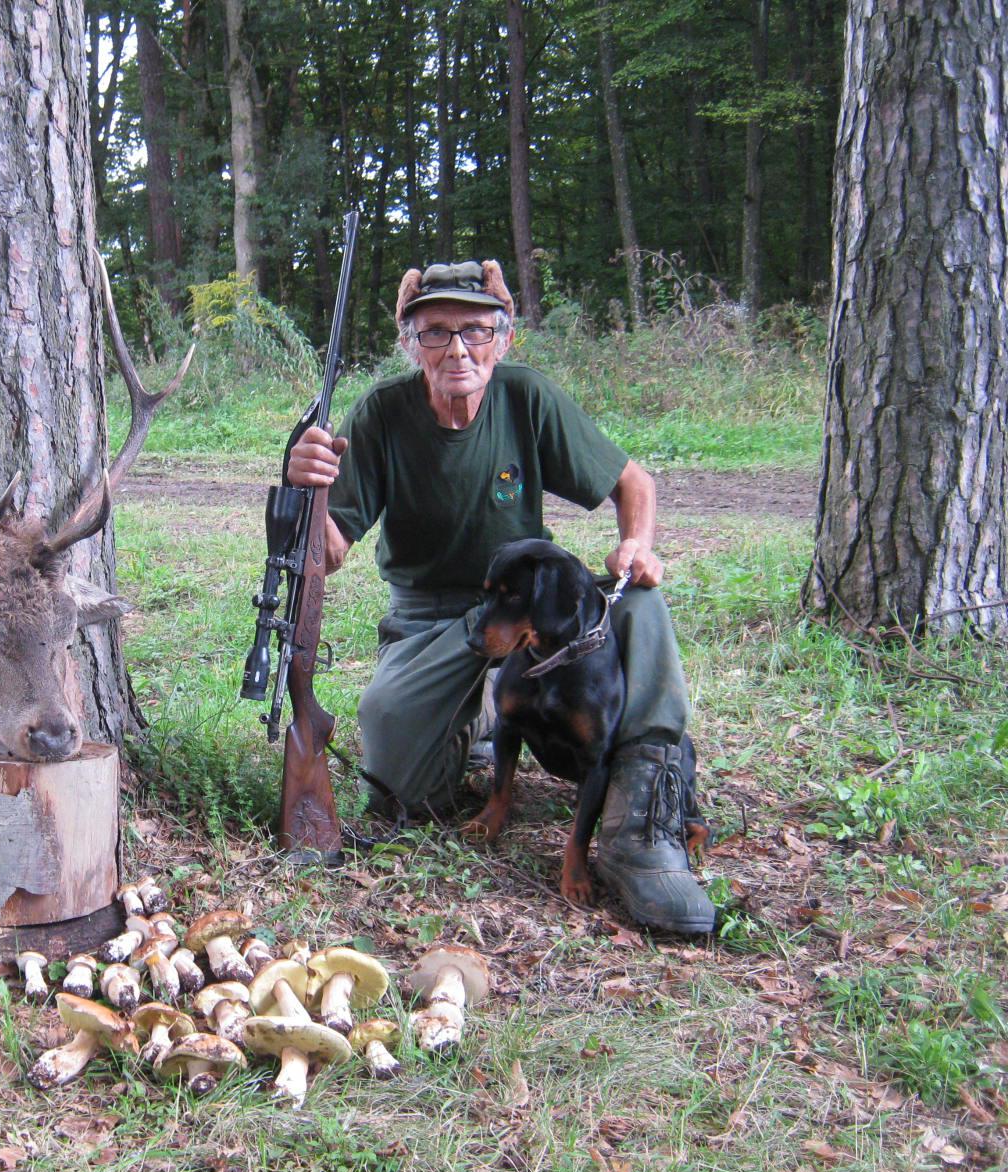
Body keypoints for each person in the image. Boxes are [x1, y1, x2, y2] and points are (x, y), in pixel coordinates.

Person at [285, 259, 713, 934]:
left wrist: (637, 545)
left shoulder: (528, 398)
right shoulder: (382, 415)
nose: (458, 349)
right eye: (435, 333)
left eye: (476, 330)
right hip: (430, 619)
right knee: (399, 783)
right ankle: (480, 722)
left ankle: (645, 817)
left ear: (504, 339)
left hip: (530, 603)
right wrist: (303, 497)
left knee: (640, 605)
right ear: (409, 344)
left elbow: (634, 482)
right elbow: (329, 552)